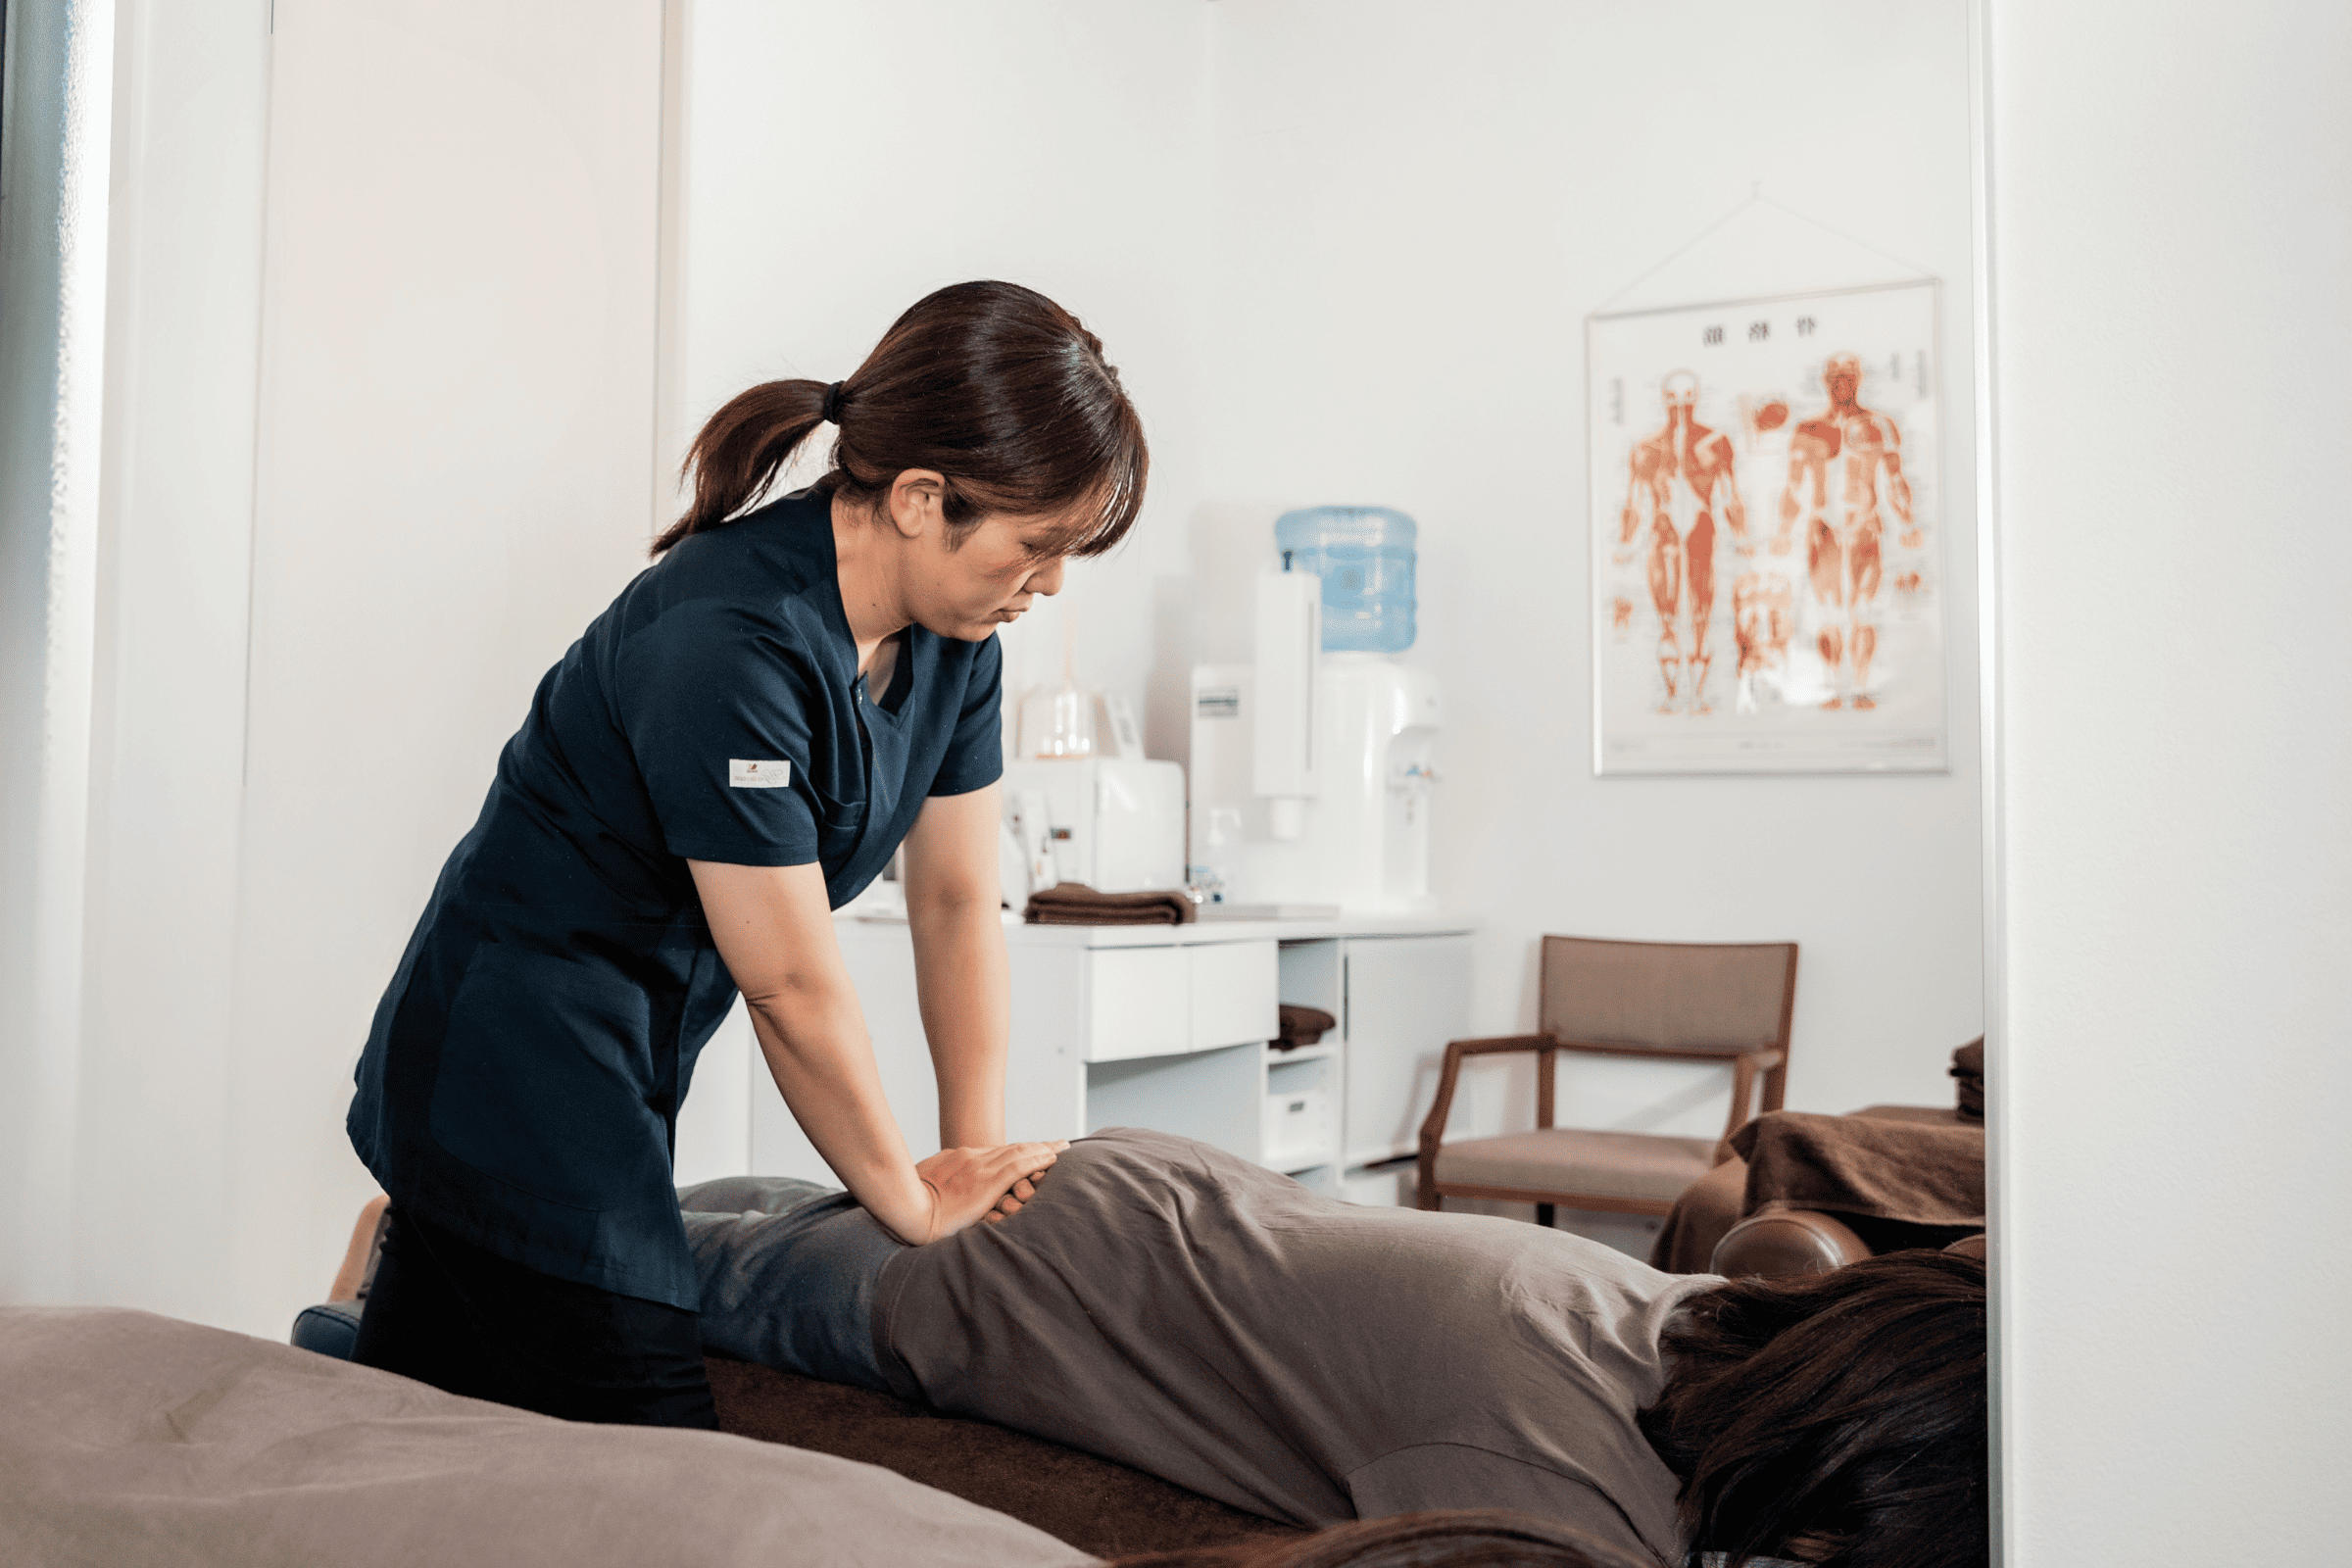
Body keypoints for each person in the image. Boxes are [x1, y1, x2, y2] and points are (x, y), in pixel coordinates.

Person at [345, 280, 1145, 1429]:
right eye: (1039, 546)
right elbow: (790, 984)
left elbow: (960, 902)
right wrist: (910, 1203)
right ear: (922, 499)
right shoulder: (729, 636)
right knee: (649, 1437)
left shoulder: (957, 639)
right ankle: (366, 1289)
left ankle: (361, 1303)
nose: (1054, 583)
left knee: (413, 1417)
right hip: (510, 1054)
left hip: (632, 1051)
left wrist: (976, 1156)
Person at [679, 1128, 1986, 1568]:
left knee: (751, 1210)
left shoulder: (1702, 1319)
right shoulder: (1551, 1486)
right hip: (1028, 1285)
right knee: (660, 1271)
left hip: (1150, 1192)